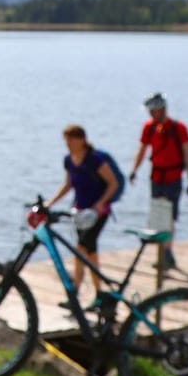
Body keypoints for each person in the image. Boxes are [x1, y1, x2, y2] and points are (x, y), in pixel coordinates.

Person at [47, 125, 123, 309]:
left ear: (81, 140)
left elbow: (113, 183)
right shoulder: (68, 160)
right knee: (86, 251)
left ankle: (92, 293)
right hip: (80, 213)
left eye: (71, 140)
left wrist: (100, 203)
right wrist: (50, 203)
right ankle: (85, 294)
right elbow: (68, 185)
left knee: (83, 247)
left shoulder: (94, 159)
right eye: (66, 140)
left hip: (98, 213)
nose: (68, 144)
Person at [129, 92, 188, 272]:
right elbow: (142, 150)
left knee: (170, 217)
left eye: (154, 111)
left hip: (174, 178)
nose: (151, 115)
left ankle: (167, 252)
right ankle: (163, 253)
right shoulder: (148, 128)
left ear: (163, 109)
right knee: (158, 215)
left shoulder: (178, 128)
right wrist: (134, 170)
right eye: (150, 111)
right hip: (156, 177)